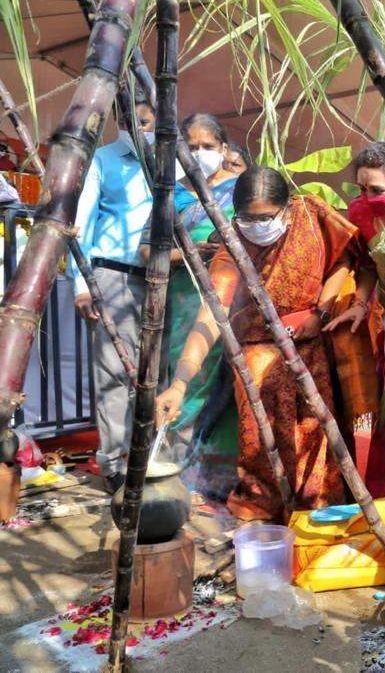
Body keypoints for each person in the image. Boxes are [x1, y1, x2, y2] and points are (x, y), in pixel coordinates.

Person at [155, 167, 369, 520]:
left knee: (313, 429)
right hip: (253, 348)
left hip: (308, 342)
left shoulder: (312, 215)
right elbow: (212, 312)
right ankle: (265, 505)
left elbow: (345, 260)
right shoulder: (234, 242)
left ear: (287, 207)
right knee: (261, 434)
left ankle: (317, 507)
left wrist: (321, 309)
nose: (257, 226)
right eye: (247, 218)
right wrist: (179, 383)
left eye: (266, 217)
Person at [141, 113, 238, 501]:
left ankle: (226, 482)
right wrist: (191, 253)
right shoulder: (171, 195)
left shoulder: (240, 191)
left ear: (224, 150)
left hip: (233, 302)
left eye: (208, 147)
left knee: (233, 390)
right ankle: (182, 481)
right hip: (184, 306)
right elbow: (148, 251)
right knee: (188, 387)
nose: (200, 154)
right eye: (192, 147)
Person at [68, 84, 155, 493]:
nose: (138, 129)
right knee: (114, 371)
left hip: (161, 281)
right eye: (130, 122)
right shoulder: (103, 160)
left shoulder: (171, 162)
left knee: (154, 372)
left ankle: (154, 458)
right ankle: (114, 463)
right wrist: (82, 285)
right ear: (118, 123)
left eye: (146, 121)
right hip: (112, 276)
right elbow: (81, 223)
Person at [325, 141, 385, 498]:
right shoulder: (360, 213)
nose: (367, 197)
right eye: (361, 189)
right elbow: (365, 263)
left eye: (377, 190)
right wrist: (361, 303)